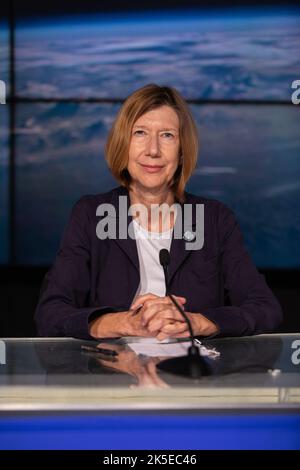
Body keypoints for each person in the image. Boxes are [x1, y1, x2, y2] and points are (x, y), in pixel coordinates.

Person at [35, 83, 283, 341]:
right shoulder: (92, 214)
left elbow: (265, 309)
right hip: (113, 375)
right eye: (140, 133)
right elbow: (50, 315)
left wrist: (197, 322)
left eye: (167, 135)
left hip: (194, 375)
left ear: (182, 150)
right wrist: (125, 323)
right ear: (123, 143)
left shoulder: (214, 219)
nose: (153, 150)